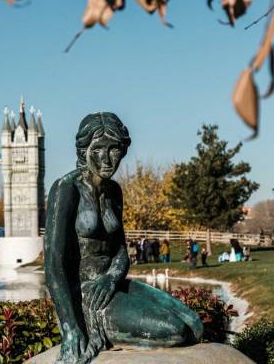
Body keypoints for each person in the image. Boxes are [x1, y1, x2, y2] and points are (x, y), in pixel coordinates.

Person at [44, 112, 203, 362]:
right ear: (84, 150)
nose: (108, 158)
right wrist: (71, 330)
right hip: (86, 296)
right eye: (99, 149)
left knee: (195, 324)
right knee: (176, 331)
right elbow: (54, 265)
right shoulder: (66, 189)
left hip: (111, 284)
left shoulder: (114, 191)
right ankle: (98, 328)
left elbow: (119, 251)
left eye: (114, 149)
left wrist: (110, 278)